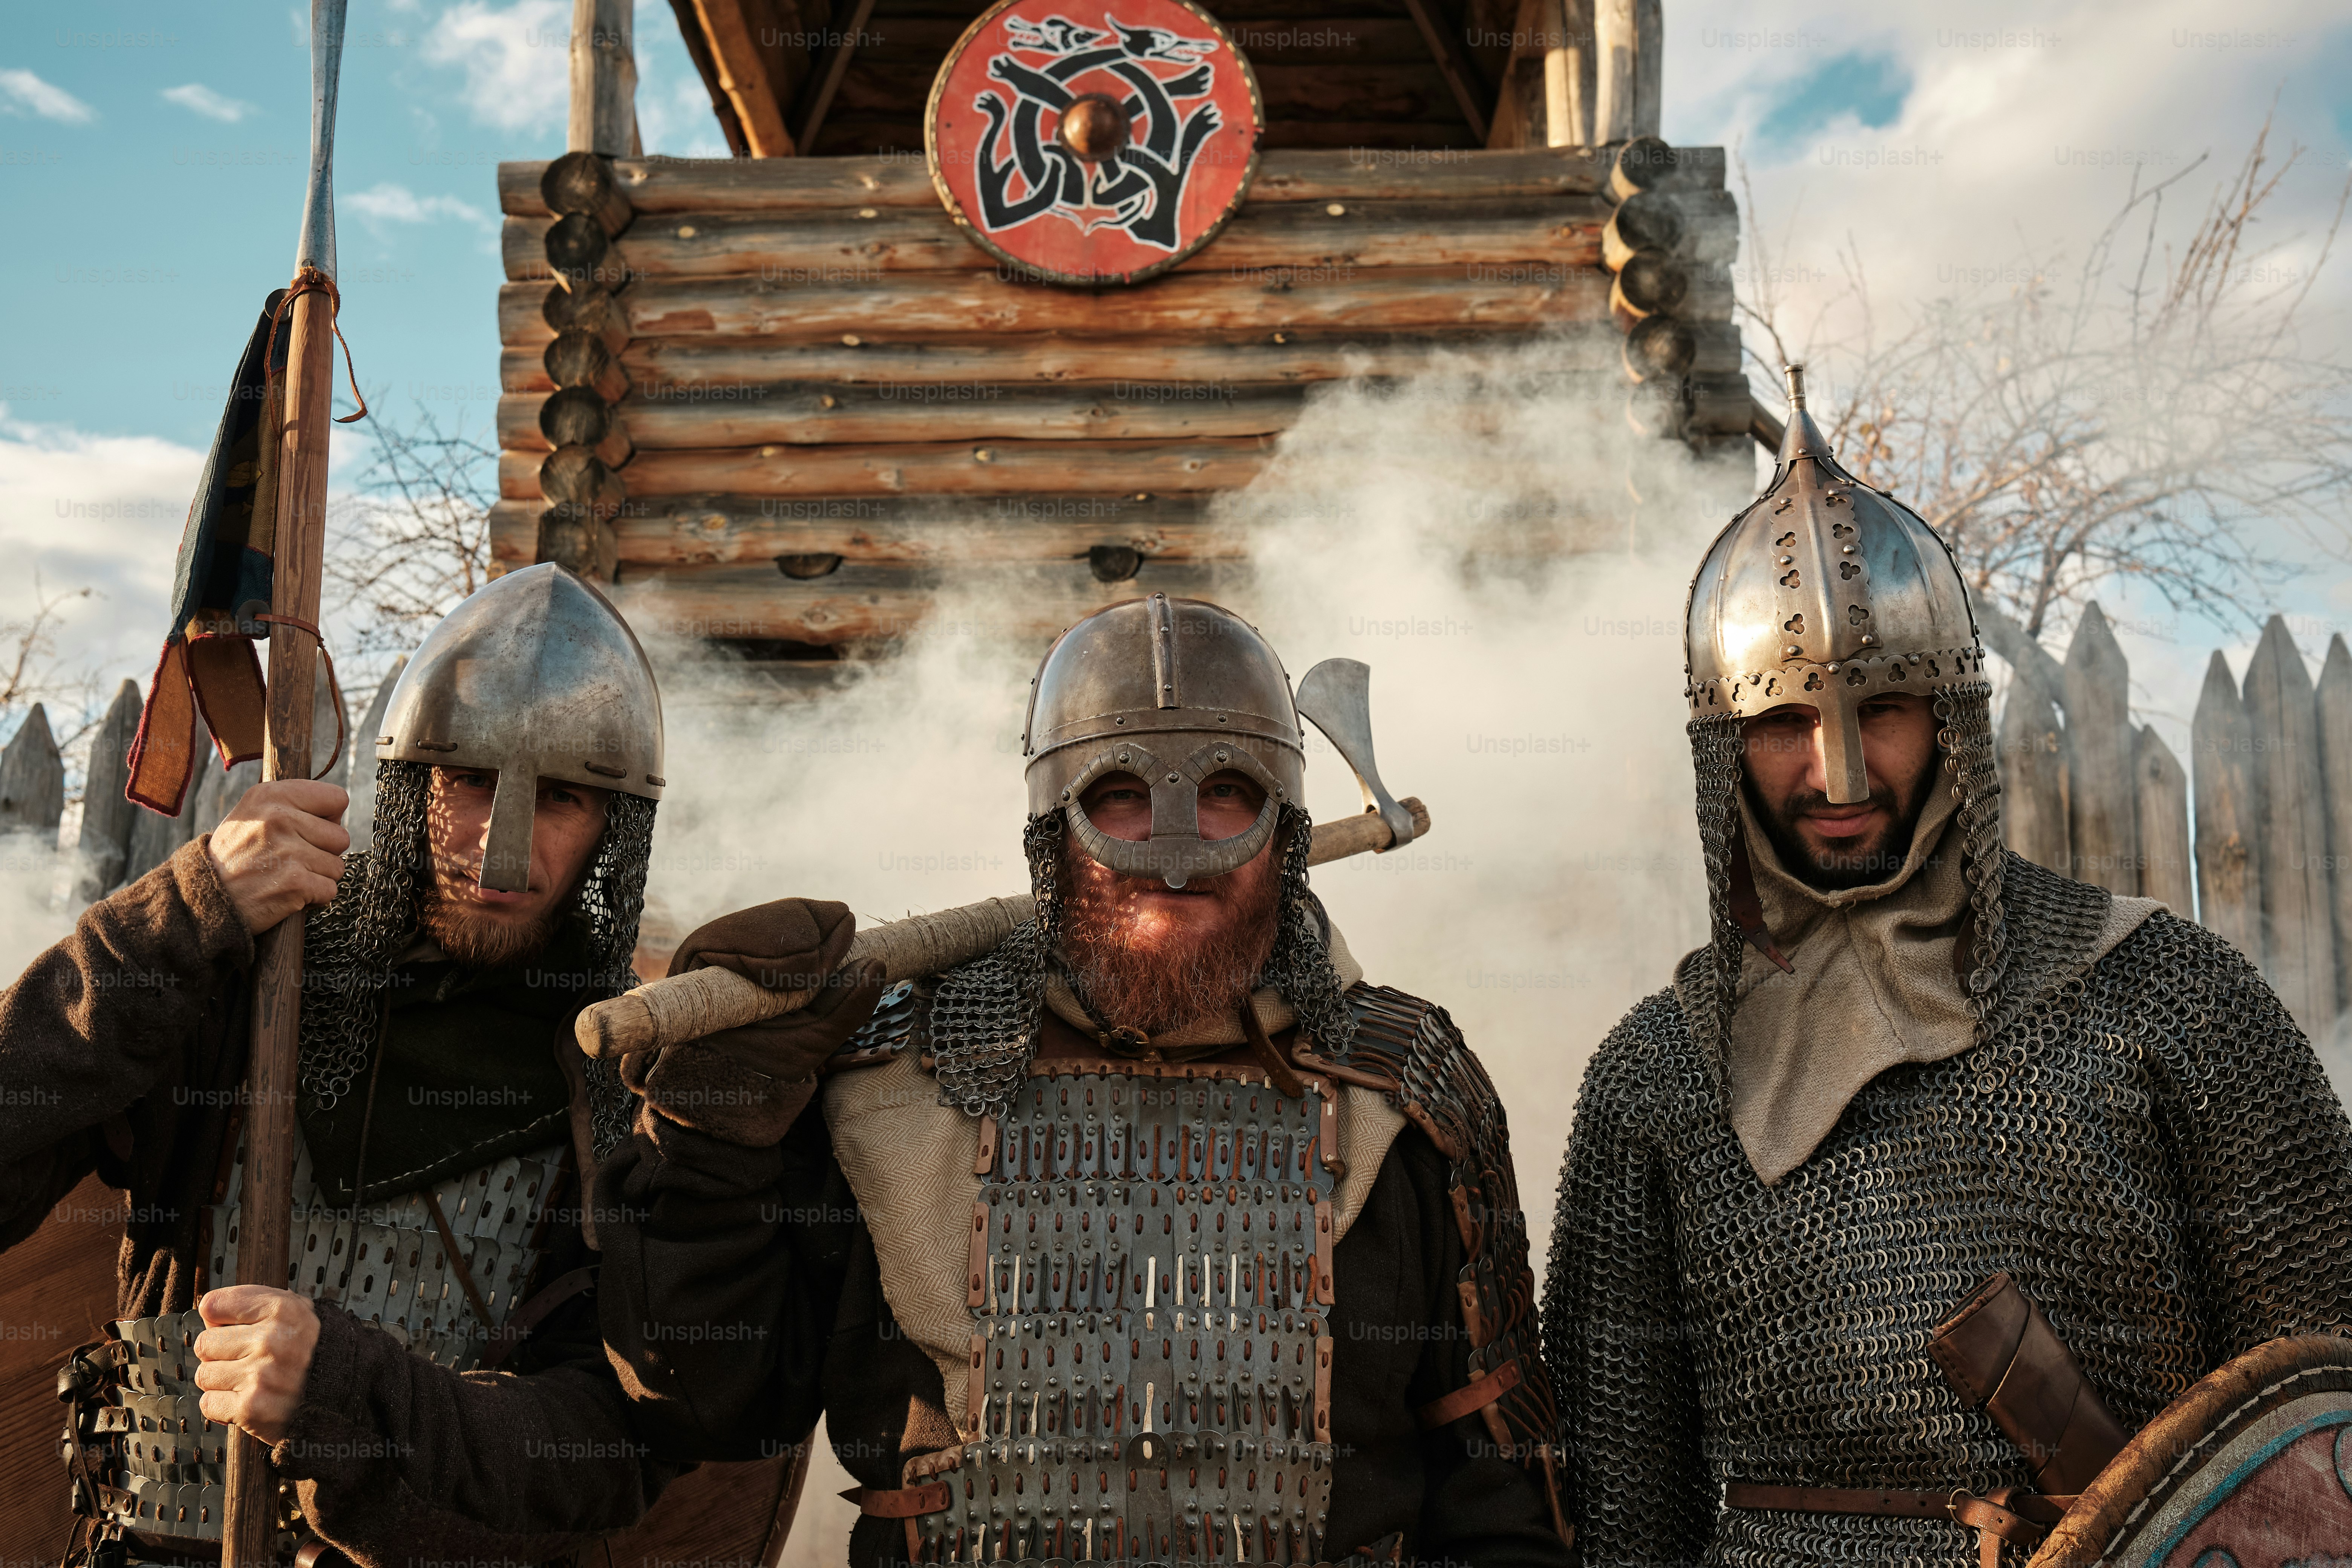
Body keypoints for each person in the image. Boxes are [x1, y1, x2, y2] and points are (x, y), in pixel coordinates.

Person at [1544, 368, 2352, 1566]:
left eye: (1882, 711)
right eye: (1781, 724)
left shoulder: (2168, 998)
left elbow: (2324, 1408)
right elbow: (1625, 1505)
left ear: (1952, 718)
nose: (1839, 776)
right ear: (1721, 750)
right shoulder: (1659, 1076)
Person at [595, 593, 1571, 1566]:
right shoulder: (889, 1079)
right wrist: (709, 1142)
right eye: (1122, 795)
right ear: (1052, 830)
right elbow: (706, 1406)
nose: (1176, 850)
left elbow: (1500, 1495)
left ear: (1286, 829)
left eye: (1226, 789)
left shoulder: (1399, 1089)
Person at [6, 563, 677, 1565]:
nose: (499, 844)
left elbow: (613, 1450)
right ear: (411, 784)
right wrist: (169, 928)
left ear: (611, 834)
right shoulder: (247, 979)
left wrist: (355, 1394)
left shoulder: (623, 1069)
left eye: (562, 798)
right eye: (473, 782)